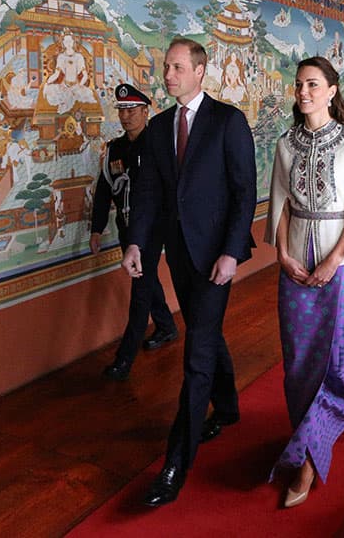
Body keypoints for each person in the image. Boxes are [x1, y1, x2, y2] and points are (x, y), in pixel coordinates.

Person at [122, 37, 257, 507]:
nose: (168, 75)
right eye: (166, 67)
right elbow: (149, 194)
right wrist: (138, 241)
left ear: (200, 71)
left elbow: (244, 192)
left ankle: (176, 464)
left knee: (197, 349)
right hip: (177, 255)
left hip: (217, 255)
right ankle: (231, 406)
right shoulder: (160, 128)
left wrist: (232, 252)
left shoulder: (228, 121)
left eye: (177, 67)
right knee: (206, 329)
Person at [265, 56, 344, 508]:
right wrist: (283, 255)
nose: (303, 92)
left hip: (340, 267)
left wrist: (335, 260)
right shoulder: (285, 144)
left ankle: (305, 459)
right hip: (294, 268)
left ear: (332, 91)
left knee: (338, 357)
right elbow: (280, 204)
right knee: (299, 359)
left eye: (313, 84)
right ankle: (341, 414)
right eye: (299, 84)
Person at [91, 84, 179, 381]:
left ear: (145, 111)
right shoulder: (115, 149)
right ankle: (166, 326)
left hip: (152, 230)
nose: (126, 116)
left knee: (140, 291)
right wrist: (96, 228)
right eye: (122, 110)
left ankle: (124, 360)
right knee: (147, 277)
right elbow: (104, 190)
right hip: (127, 229)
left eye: (132, 110)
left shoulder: (157, 145)